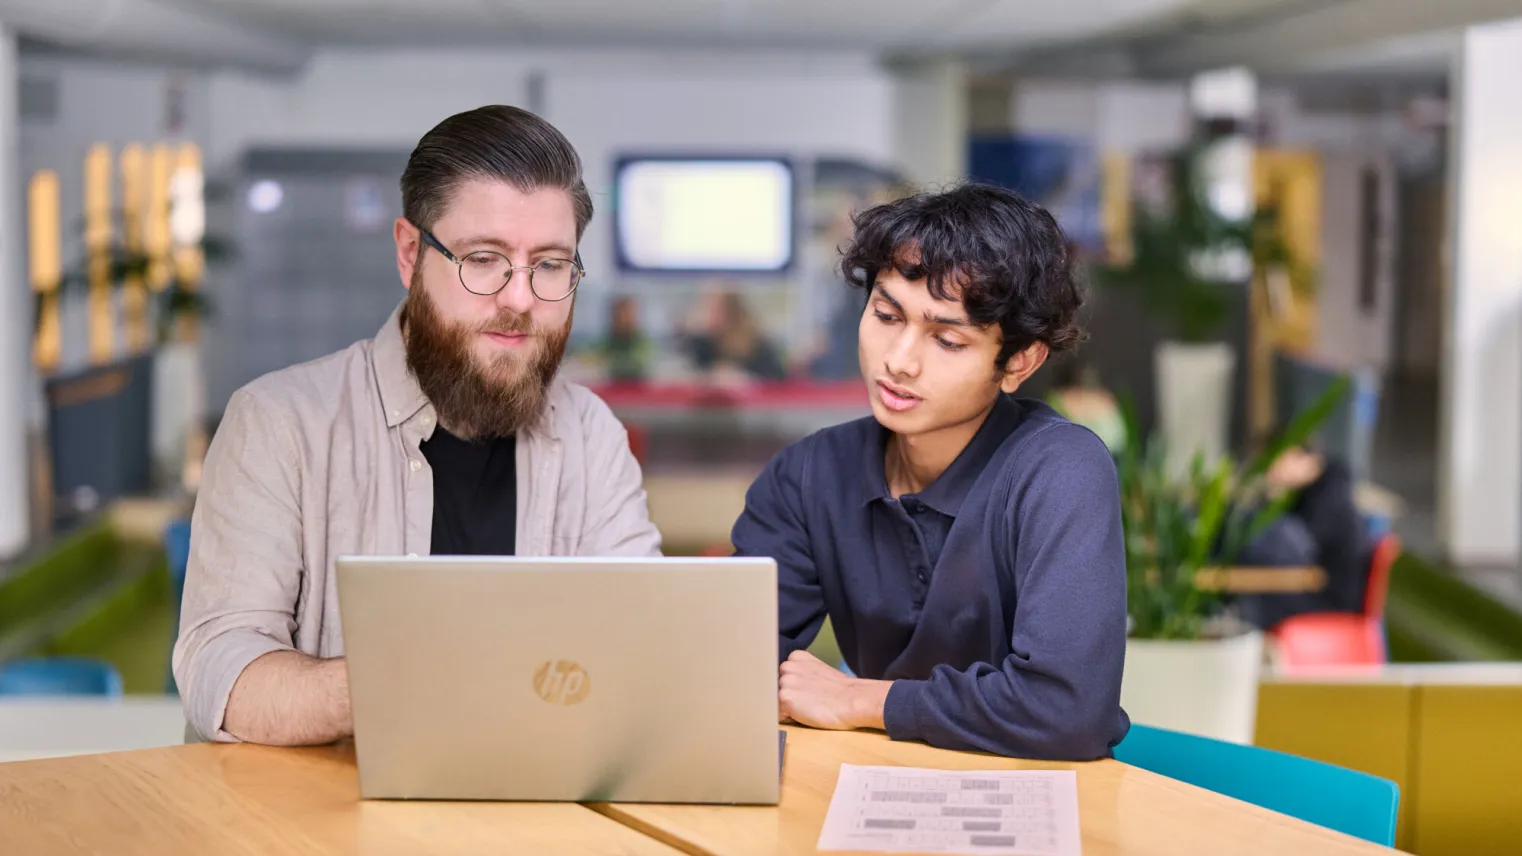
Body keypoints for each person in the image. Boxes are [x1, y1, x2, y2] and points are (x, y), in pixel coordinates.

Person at [173, 106, 662, 746]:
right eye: (483, 259)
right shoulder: (279, 424)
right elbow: (221, 671)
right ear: (410, 254)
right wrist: (408, 677)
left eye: (549, 265)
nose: (519, 298)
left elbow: (643, 645)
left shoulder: (591, 436)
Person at [729, 183, 1130, 759]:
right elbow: (732, 669)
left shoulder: (1058, 470)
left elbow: (1068, 711)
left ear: (1019, 361)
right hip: (870, 786)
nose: (899, 360)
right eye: (887, 315)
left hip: (1039, 803)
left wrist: (863, 700)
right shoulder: (809, 474)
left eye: (946, 339)